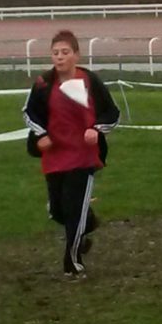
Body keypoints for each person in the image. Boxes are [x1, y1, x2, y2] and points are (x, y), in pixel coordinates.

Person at [24, 30, 120, 280]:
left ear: (76, 55)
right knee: (58, 210)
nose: (60, 57)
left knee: (73, 208)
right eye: (55, 53)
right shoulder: (43, 83)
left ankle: (73, 263)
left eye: (65, 52)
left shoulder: (90, 82)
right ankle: (87, 224)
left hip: (83, 156)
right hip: (55, 156)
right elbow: (29, 113)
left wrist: (96, 130)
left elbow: (112, 113)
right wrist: (40, 135)